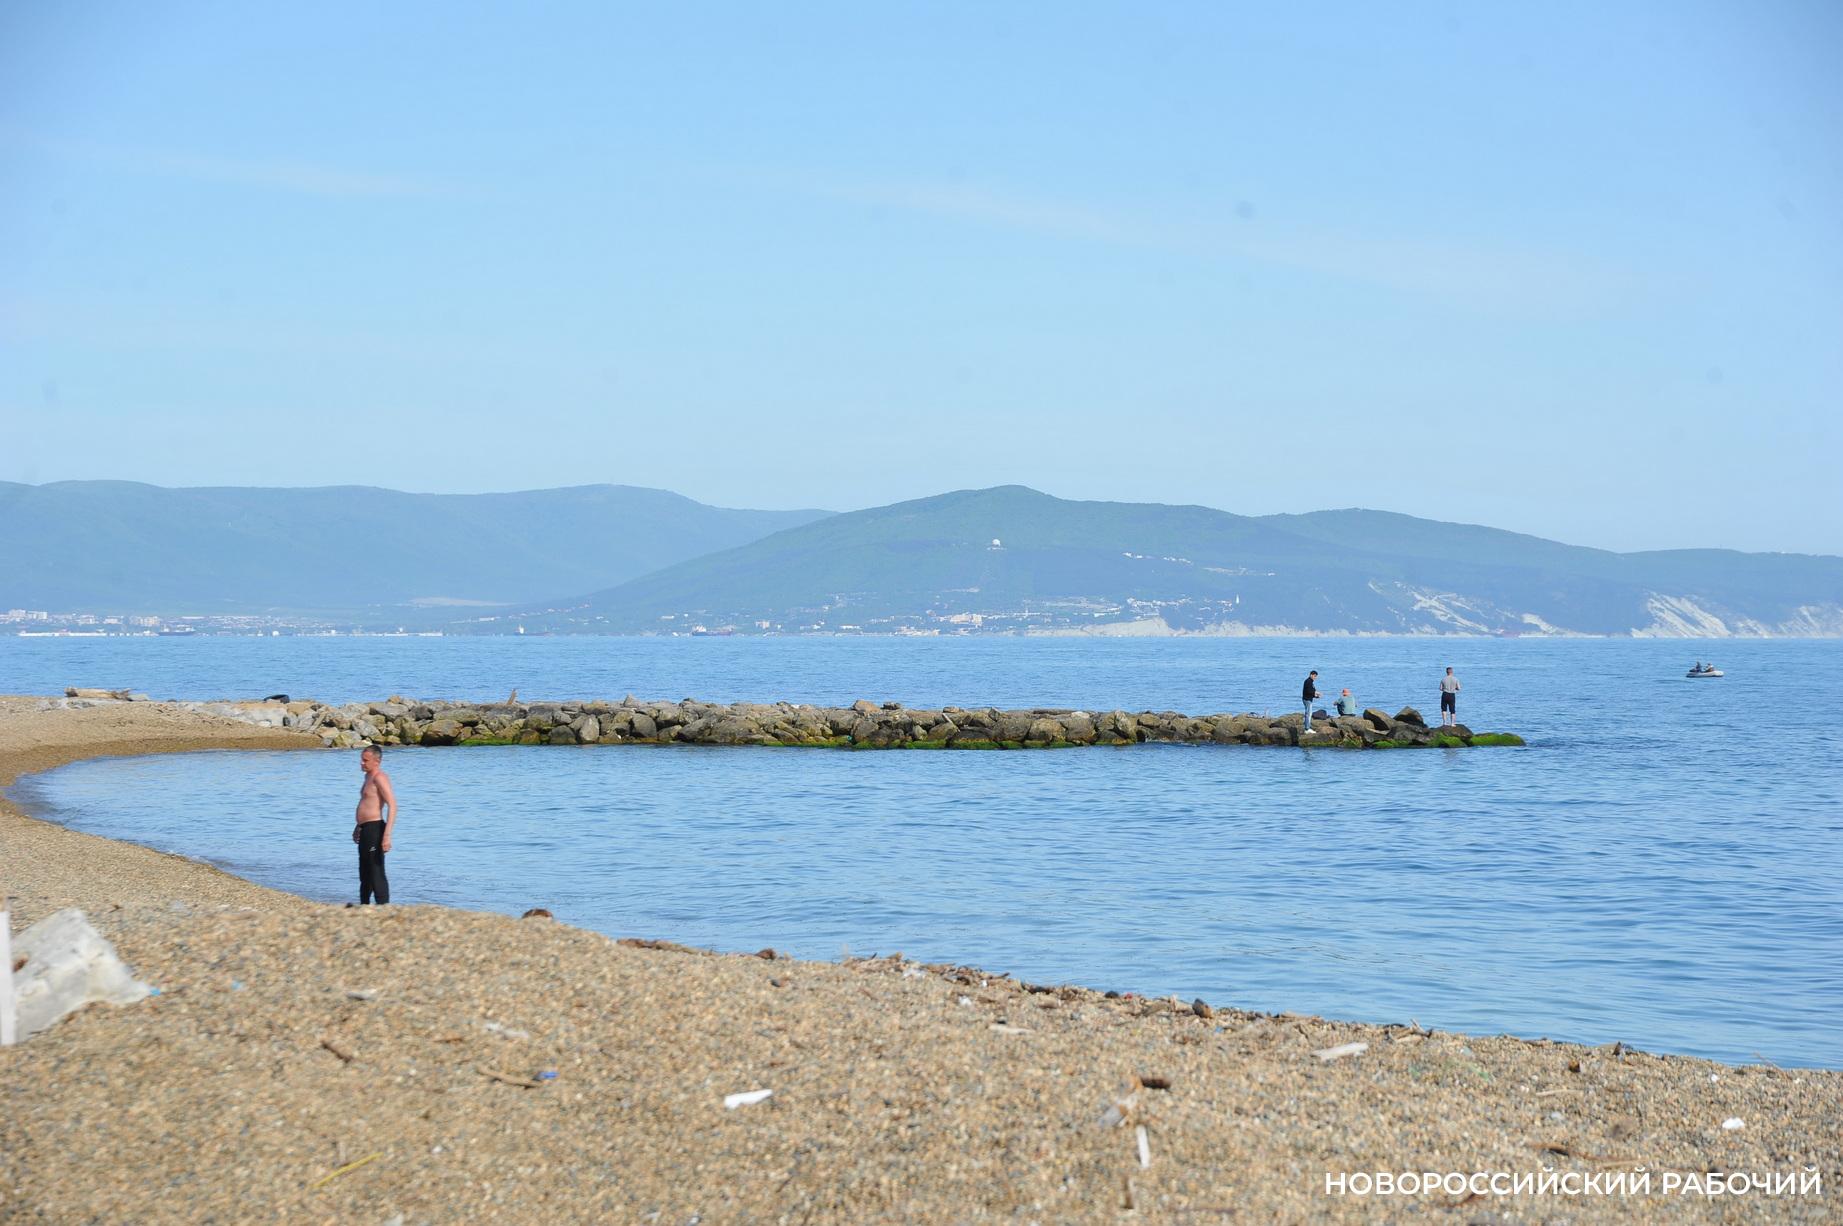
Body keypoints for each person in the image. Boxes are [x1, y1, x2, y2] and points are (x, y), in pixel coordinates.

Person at [353, 744, 397, 904]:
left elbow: (393, 805)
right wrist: (358, 826)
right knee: (364, 870)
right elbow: (366, 802)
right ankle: (364, 905)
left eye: (365, 760)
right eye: (361, 760)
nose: (361, 763)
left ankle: (383, 906)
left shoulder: (380, 777)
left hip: (375, 829)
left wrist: (386, 836)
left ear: (376, 761)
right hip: (365, 829)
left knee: (375, 870)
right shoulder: (367, 777)